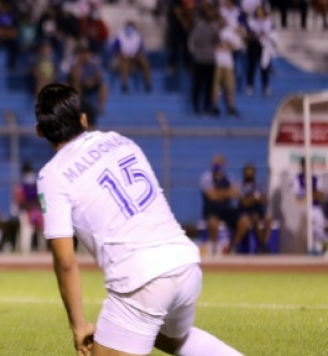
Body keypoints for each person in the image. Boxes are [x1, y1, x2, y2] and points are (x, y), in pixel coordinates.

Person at [34, 83, 243, 356]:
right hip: (184, 262)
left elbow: (65, 261)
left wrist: (78, 325)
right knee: (174, 340)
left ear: (40, 132)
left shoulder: (52, 175)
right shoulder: (119, 141)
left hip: (142, 280)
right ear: (83, 119)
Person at [200, 155, 246, 255]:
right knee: (213, 223)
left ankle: (233, 247)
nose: (218, 165)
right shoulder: (206, 177)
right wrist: (227, 193)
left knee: (244, 222)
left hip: (226, 209)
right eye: (216, 163)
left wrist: (219, 193)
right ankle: (214, 247)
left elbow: (236, 193)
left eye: (220, 163)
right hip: (212, 208)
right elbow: (211, 195)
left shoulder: (229, 178)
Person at [238, 163, 272, 253]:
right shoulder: (241, 186)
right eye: (248, 173)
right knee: (255, 217)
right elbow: (244, 202)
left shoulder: (258, 186)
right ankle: (261, 245)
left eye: (251, 173)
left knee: (268, 218)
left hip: (258, 210)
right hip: (247, 212)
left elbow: (265, 199)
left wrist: (254, 199)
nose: (249, 175)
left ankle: (263, 244)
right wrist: (255, 199)